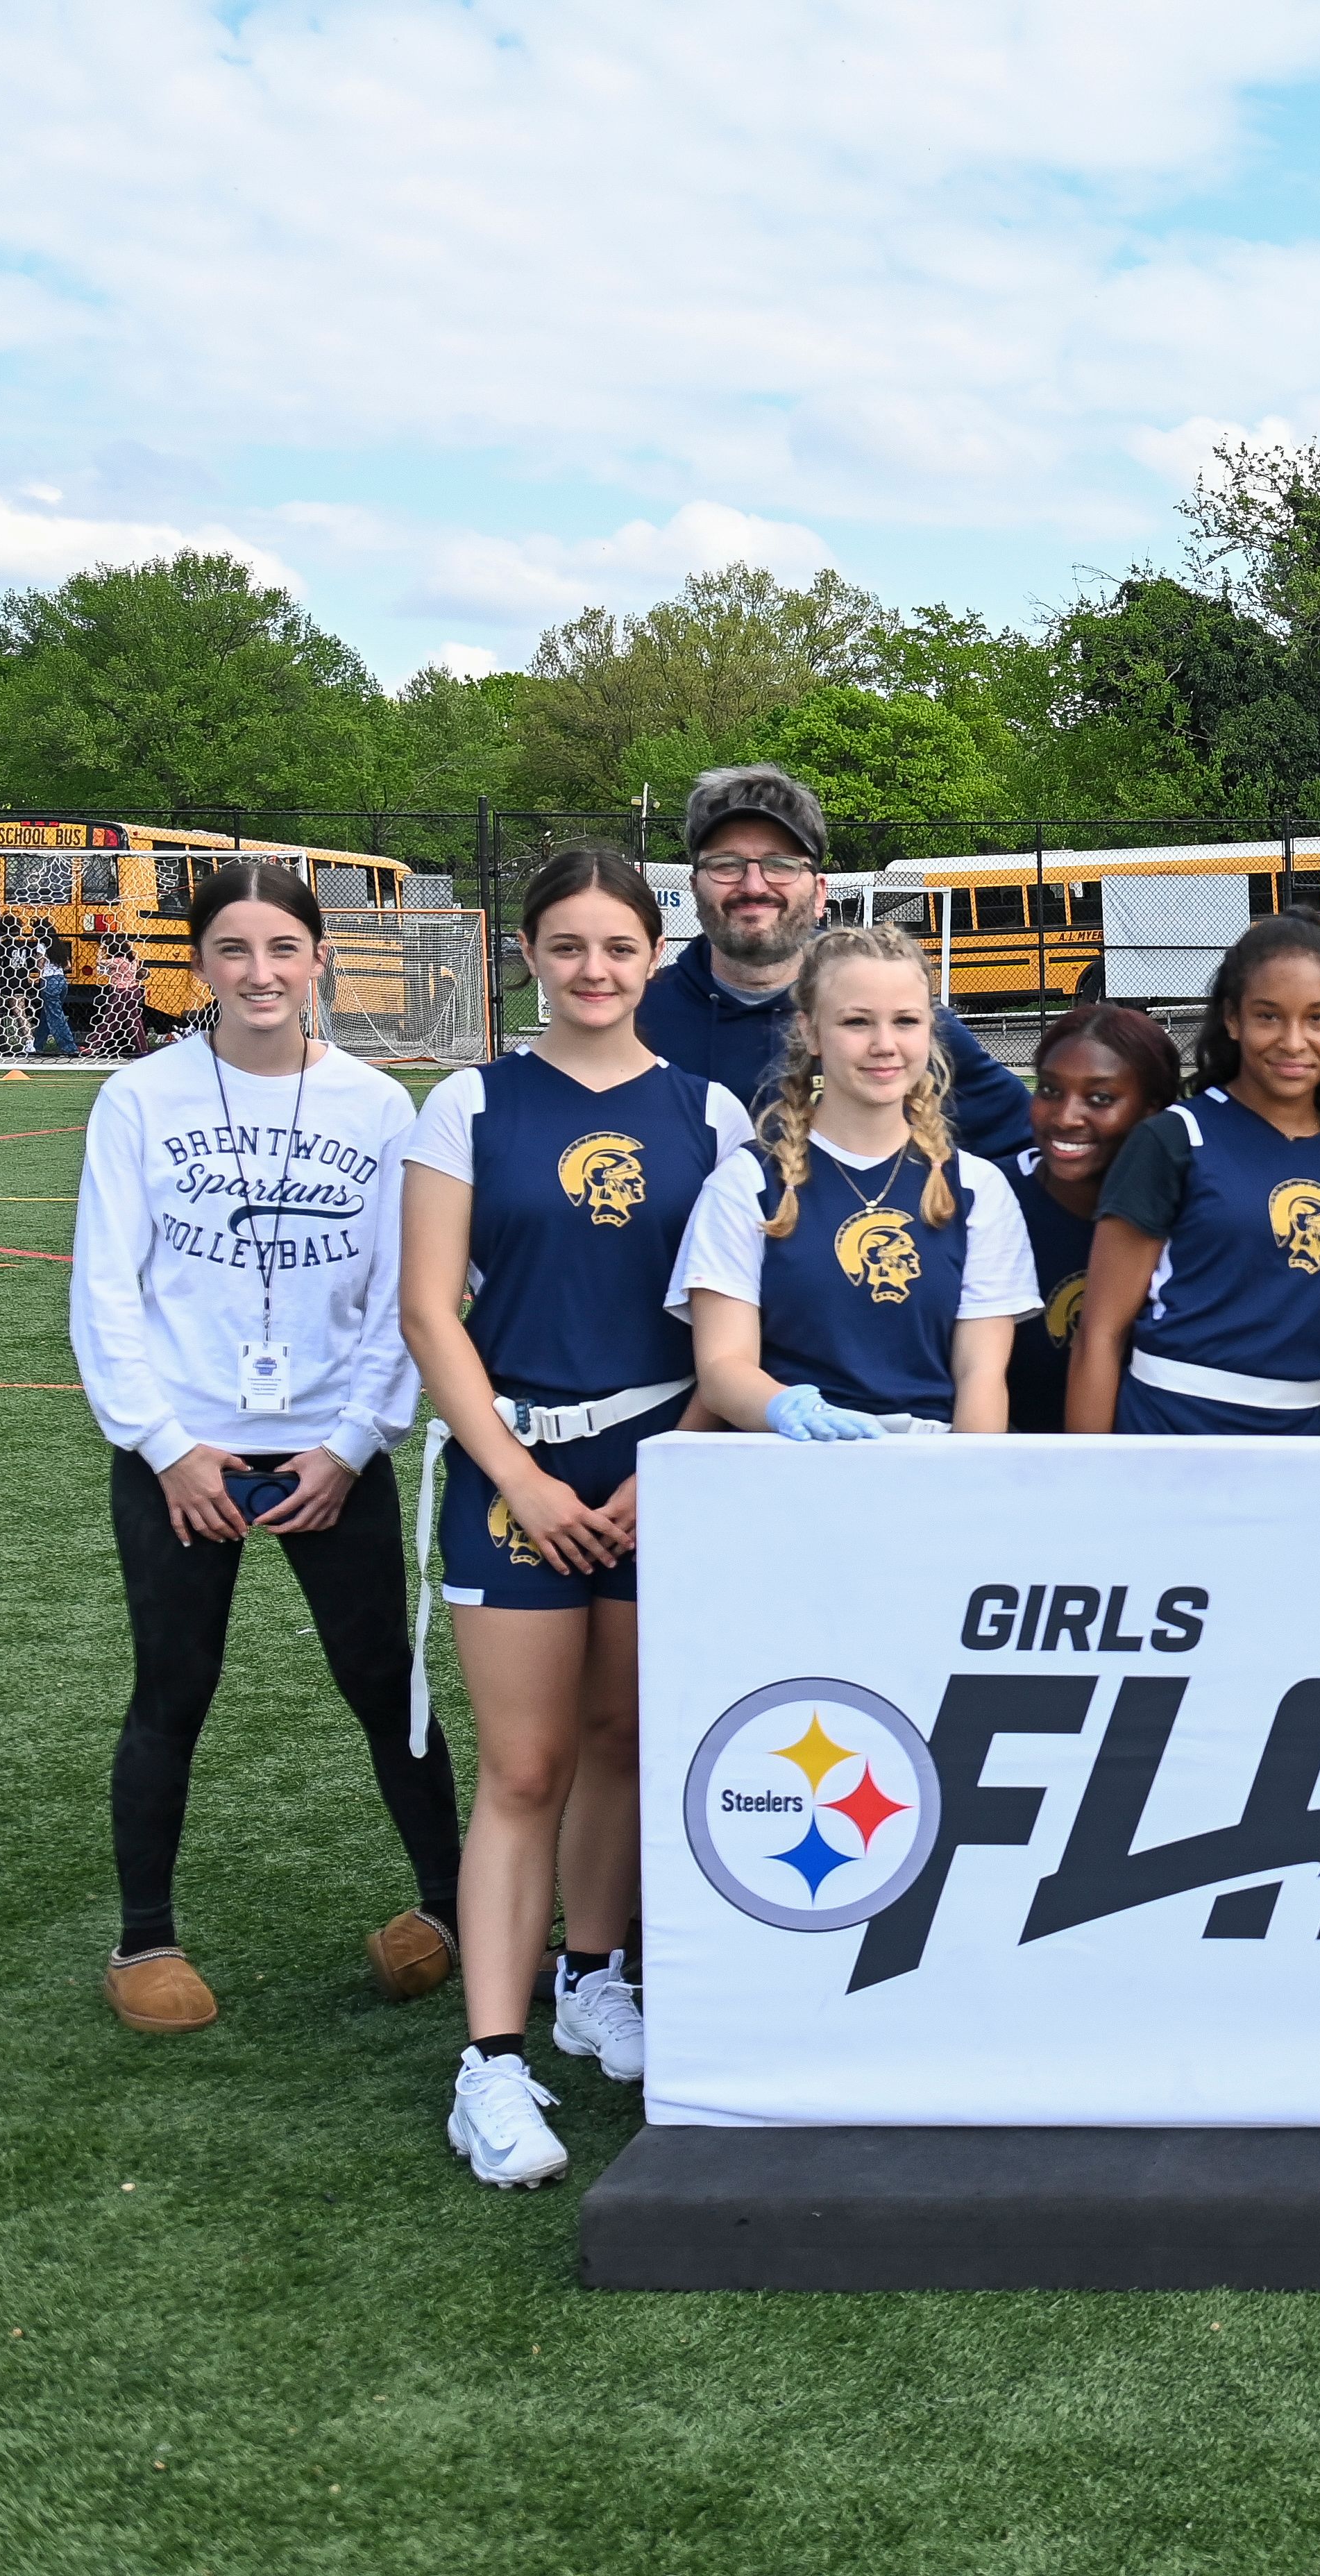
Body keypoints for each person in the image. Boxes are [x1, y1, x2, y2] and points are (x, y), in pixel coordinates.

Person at [397, 847, 752, 2187]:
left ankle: (590, 1975)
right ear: (528, 957)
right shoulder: (470, 1105)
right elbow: (432, 1310)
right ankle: (490, 2063)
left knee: (621, 1737)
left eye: (618, 945)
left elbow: (734, 1317)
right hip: (519, 1468)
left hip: (667, 1462)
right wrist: (528, 1480)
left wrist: (675, 1460)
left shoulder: (710, 1112)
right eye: (567, 946)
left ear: (654, 955)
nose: (594, 970)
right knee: (527, 1765)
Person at [67, 861, 457, 2037]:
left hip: (328, 1455)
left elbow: (408, 1297)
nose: (259, 972)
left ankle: (449, 1908)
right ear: (202, 964)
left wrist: (347, 1447)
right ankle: (145, 1938)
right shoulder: (140, 1098)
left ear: (318, 958)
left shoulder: (377, 1108)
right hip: (183, 1454)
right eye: (232, 949)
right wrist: (167, 1447)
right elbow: (106, 1291)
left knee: (387, 1683)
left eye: (282, 948)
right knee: (172, 1689)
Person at [674, 923, 1036, 1440]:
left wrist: (964, 1486)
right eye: (857, 1022)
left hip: (928, 1478)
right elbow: (723, 1370)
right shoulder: (747, 1185)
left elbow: (981, 1375)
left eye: (906, 1021)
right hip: (789, 1469)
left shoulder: (976, 1189)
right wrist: (794, 1412)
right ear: (810, 1032)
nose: (884, 1045)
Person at [1065, 915, 1320, 1438]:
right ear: (1233, 1019)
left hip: (1303, 1451)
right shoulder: (1175, 1139)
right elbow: (1101, 1333)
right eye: (1268, 1017)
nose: (1293, 1041)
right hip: (1169, 1438)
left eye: (1317, 1019)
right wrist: (1091, 1482)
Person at [634, 765, 1033, 1159]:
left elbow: (1030, 1148)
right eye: (725, 864)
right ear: (694, 886)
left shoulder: (892, 1019)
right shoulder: (637, 1018)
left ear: (820, 892)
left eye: (781, 865)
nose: (753, 886)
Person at [997, 1002, 1182, 1434]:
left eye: (1100, 1099)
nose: (1066, 1118)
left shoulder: (1196, 1209)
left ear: (1153, 1111)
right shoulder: (991, 1196)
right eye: (1049, 1091)